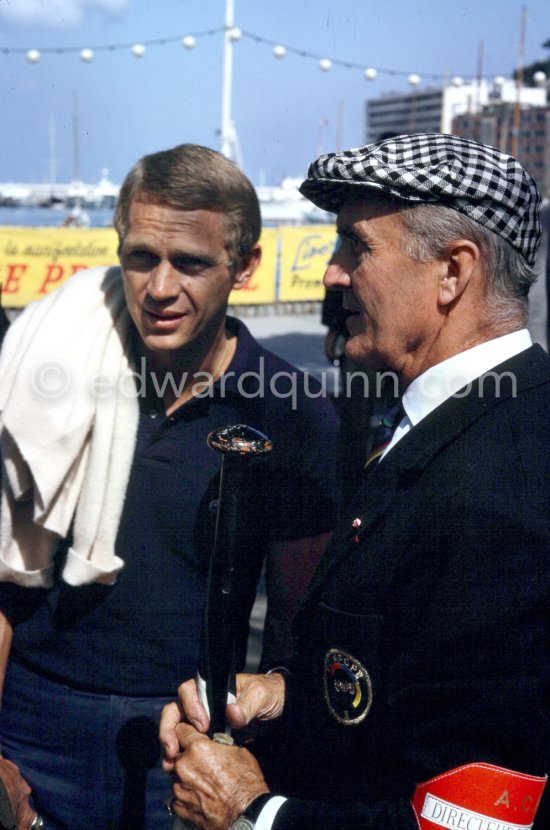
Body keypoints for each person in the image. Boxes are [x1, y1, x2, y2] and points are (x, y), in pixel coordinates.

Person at [161, 133, 550, 829]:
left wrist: (253, 812)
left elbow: (474, 819)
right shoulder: (455, 424)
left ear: (453, 273)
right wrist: (289, 696)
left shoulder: (505, 492)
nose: (332, 274)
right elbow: (406, 682)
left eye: (356, 247)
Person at [0, 143, 339, 830]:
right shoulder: (49, 368)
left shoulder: (293, 412)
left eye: (190, 263)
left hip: (181, 745)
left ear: (244, 267)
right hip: (26, 728)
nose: (159, 288)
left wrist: (242, 770)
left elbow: (297, 637)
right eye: (140, 257)